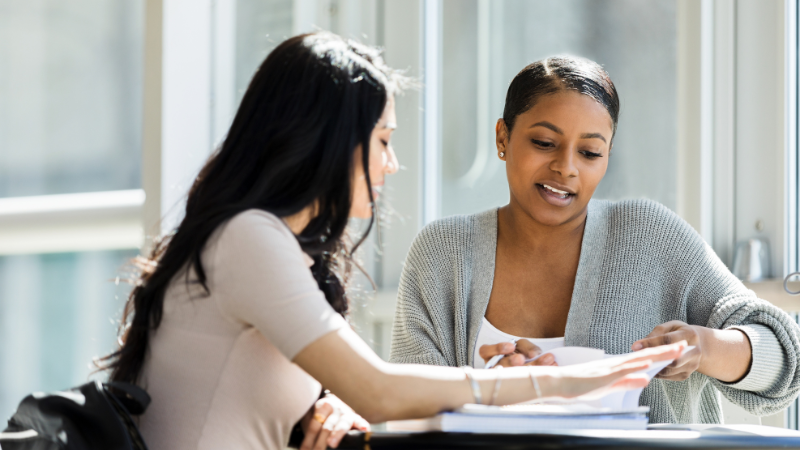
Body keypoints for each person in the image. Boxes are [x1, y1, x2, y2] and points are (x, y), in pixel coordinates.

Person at [99, 35, 683, 450]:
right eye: (382, 141)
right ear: (326, 140)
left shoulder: (267, 245)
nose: (393, 164)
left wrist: (340, 403)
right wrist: (578, 380)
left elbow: (363, 387)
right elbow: (381, 387)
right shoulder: (249, 239)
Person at [389, 55, 800, 424]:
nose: (565, 167)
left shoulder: (649, 235)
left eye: (589, 153)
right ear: (502, 138)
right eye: (544, 143)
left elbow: (787, 360)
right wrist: (494, 396)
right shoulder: (442, 252)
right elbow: (405, 407)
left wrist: (707, 348)